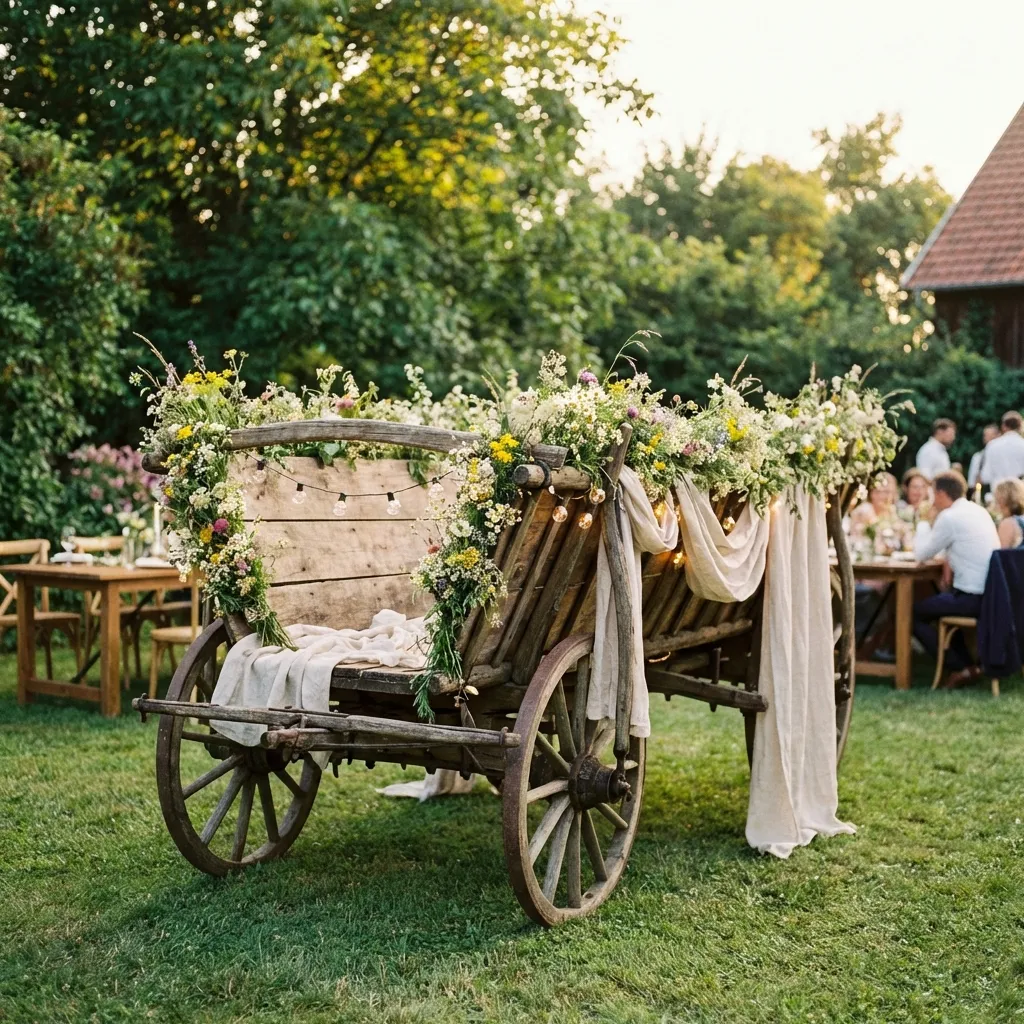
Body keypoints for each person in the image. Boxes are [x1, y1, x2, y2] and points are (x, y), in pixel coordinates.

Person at [913, 470, 1000, 687]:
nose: (931, 500)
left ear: (941, 494)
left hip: (972, 597)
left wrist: (923, 521)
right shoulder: (978, 511)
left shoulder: (949, 517)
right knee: (943, 605)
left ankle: (959, 667)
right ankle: (968, 666)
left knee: (912, 614)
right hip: (991, 595)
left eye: (932, 494)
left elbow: (921, 554)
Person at [979, 410, 1024, 486]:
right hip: (1021, 490)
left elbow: (986, 476)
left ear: (1003, 426)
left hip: (998, 490)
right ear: (1020, 426)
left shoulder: (992, 445)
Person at [967, 423, 1000, 491]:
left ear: (998, 436)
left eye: (992, 435)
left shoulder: (1003, 456)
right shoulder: (978, 457)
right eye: (986, 435)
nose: (987, 438)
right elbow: (971, 483)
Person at [993, 478, 1024, 549]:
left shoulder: (1008, 523)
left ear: (1002, 500)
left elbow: (1002, 553)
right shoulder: (1021, 519)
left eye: (996, 499)